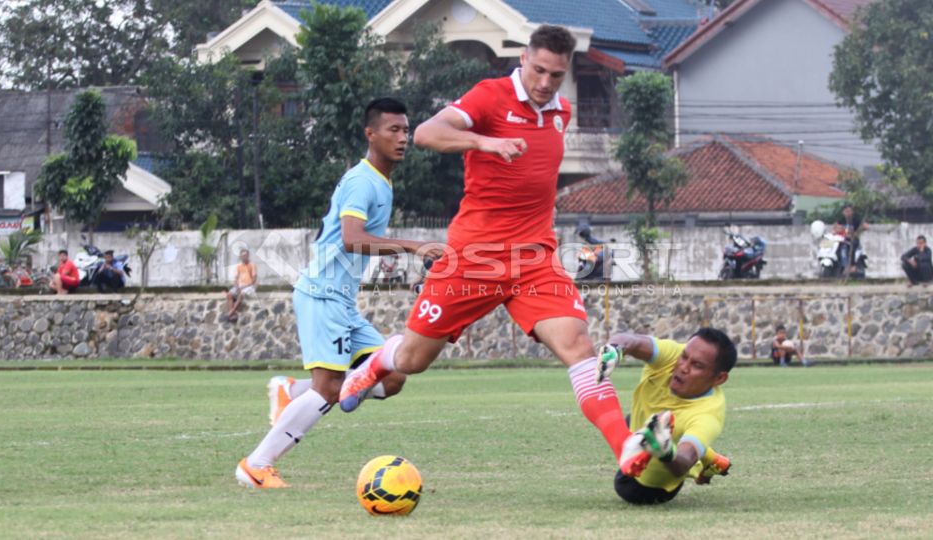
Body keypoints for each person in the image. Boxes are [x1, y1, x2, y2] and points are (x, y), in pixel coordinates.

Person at [339, 25, 660, 477]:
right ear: (524, 57)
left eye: (557, 74)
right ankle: (374, 363)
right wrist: (484, 141)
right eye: (539, 70)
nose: (546, 82)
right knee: (413, 360)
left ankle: (625, 448)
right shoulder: (490, 97)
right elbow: (429, 133)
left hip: (535, 259)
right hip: (474, 256)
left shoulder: (560, 112)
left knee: (579, 347)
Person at [235, 97, 443, 489]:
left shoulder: (381, 181)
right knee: (329, 389)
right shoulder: (362, 180)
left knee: (393, 375)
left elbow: (358, 242)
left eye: (405, 130)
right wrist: (414, 246)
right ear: (371, 134)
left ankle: (291, 391)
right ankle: (256, 466)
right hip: (322, 295)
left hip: (340, 301)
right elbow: (352, 239)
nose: (403, 138)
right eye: (393, 130)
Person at [603, 328, 736, 505]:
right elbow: (631, 340)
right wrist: (614, 349)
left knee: (627, 490)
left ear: (719, 378)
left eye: (697, 366)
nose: (683, 367)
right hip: (645, 425)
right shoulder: (673, 354)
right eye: (684, 357)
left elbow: (682, 463)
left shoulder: (708, 415)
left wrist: (664, 451)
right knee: (632, 422)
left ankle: (688, 452)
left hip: (651, 487)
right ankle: (709, 459)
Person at [225, 249, 256, 322]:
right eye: (242, 256)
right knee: (229, 294)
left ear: (248, 256)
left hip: (248, 286)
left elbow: (254, 280)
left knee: (241, 294)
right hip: (239, 285)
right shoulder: (238, 266)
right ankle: (233, 315)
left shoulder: (252, 265)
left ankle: (231, 312)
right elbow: (235, 279)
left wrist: (244, 287)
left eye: (245, 255)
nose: (244, 257)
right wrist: (237, 286)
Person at [837, 204, 868, 275]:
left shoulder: (856, 220)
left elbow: (866, 226)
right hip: (843, 240)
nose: (847, 213)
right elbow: (835, 228)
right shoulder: (841, 220)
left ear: (852, 212)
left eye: (849, 211)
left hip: (853, 240)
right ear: (843, 212)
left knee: (850, 247)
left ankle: (851, 266)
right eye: (846, 211)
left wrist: (856, 232)